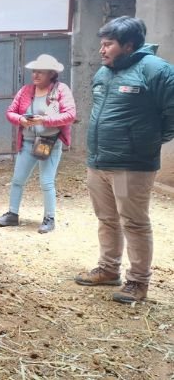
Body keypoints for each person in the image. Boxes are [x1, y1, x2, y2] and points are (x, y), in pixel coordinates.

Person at [74, 16, 174, 303]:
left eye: (108, 45)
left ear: (128, 45)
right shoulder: (105, 72)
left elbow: (171, 115)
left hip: (133, 164)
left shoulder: (157, 71)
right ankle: (108, 269)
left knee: (134, 222)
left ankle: (138, 282)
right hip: (99, 160)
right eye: (101, 45)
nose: (101, 51)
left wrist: (147, 141)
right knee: (106, 219)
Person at [0, 54, 76, 233]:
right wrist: (21, 119)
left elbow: (70, 115)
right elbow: (10, 112)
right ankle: (12, 214)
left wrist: (44, 120)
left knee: (46, 182)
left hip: (48, 142)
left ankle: (49, 218)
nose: (36, 75)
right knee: (17, 180)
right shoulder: (25, 90)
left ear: (51, 74)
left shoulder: (61, 90)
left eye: (41, 72)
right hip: (28, 142)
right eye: (34, 72)